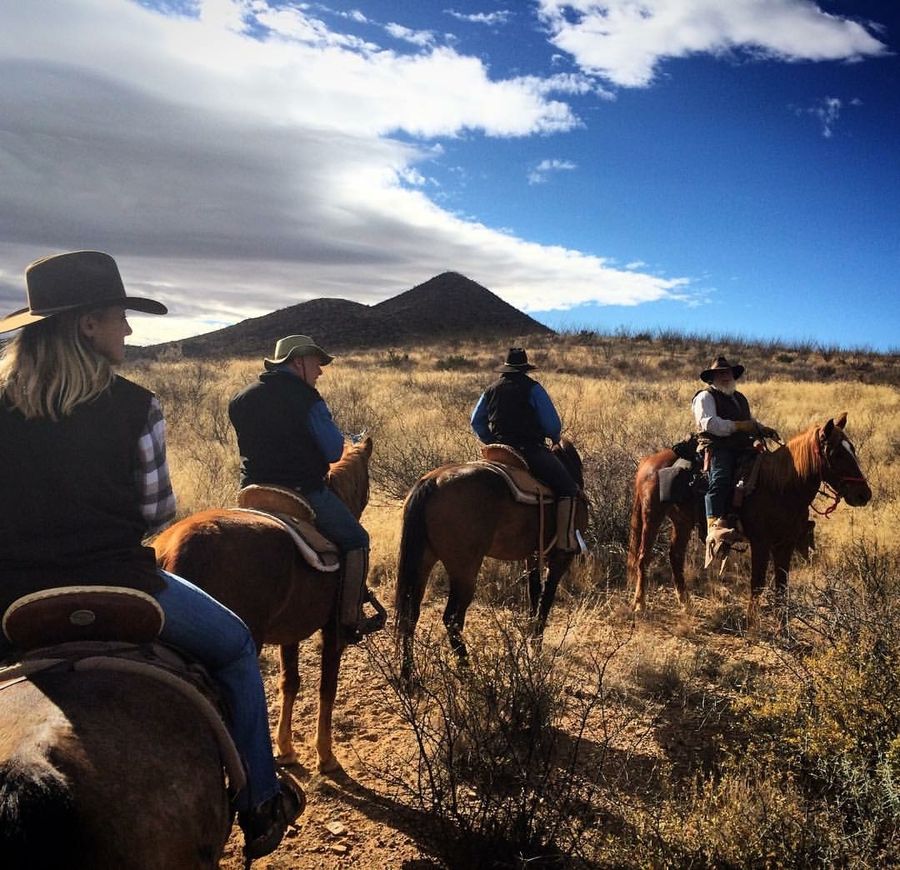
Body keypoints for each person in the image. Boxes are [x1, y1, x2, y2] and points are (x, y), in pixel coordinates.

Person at [0, 251, 302, 861]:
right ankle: (260, 799)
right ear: (88, 324)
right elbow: (157, 512)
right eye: (119, 317)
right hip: (122, 584)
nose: (128, 331)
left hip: (11, 593)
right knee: (238, 647)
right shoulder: (137, 405)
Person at [228, 334, 383, 643]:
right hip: (301, 490)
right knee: (356, 539)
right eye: (316, 363)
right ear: (298, 361)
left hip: (252, 491)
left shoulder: (241, 398)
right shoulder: (308, 399)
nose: (320, 371)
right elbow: (333, 452)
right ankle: (349, 618)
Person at [471, 347, 579, 552]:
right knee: (568, 488)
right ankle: (565, 542)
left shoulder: (490, 390)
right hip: (529, 450)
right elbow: (552, 425)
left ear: (506, 368)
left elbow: (476, 422)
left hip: (498, 450)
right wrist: (555, 438)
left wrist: (490, 440)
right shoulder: (533, 388)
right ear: (524, 369)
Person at [692, 356, 779, 545]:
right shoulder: (705, 397)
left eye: (728, 373)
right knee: (721, 478)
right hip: (717, 446)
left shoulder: (739, 398)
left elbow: (749, 421)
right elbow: (709, 424)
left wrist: (761, 429)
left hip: (741, 447)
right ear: (712, 377)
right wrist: (739, 426)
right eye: (720, 373)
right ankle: (714, 527)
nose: (725, 376)